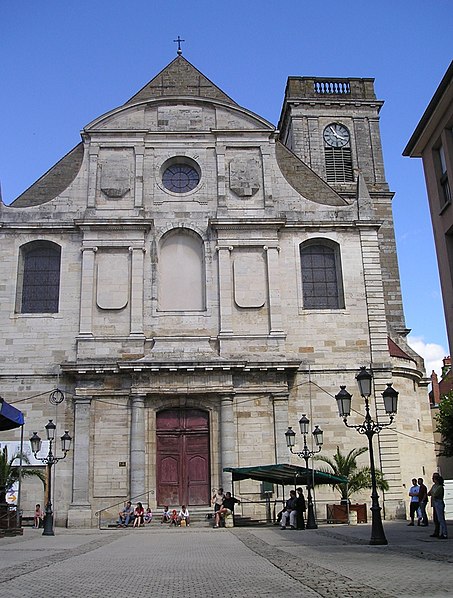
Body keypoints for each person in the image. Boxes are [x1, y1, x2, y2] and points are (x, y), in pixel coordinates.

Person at [428, 472, 448, 539]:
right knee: (436, 519)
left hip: (439, 503)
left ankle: (444, 533)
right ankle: (438, 532)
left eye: (434, 478)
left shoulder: (440, 487)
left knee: (441, 519)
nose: (433, 479)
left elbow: (435, 494)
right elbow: (430, 493)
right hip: (435, 503)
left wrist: (432, 493)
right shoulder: (434, 486)